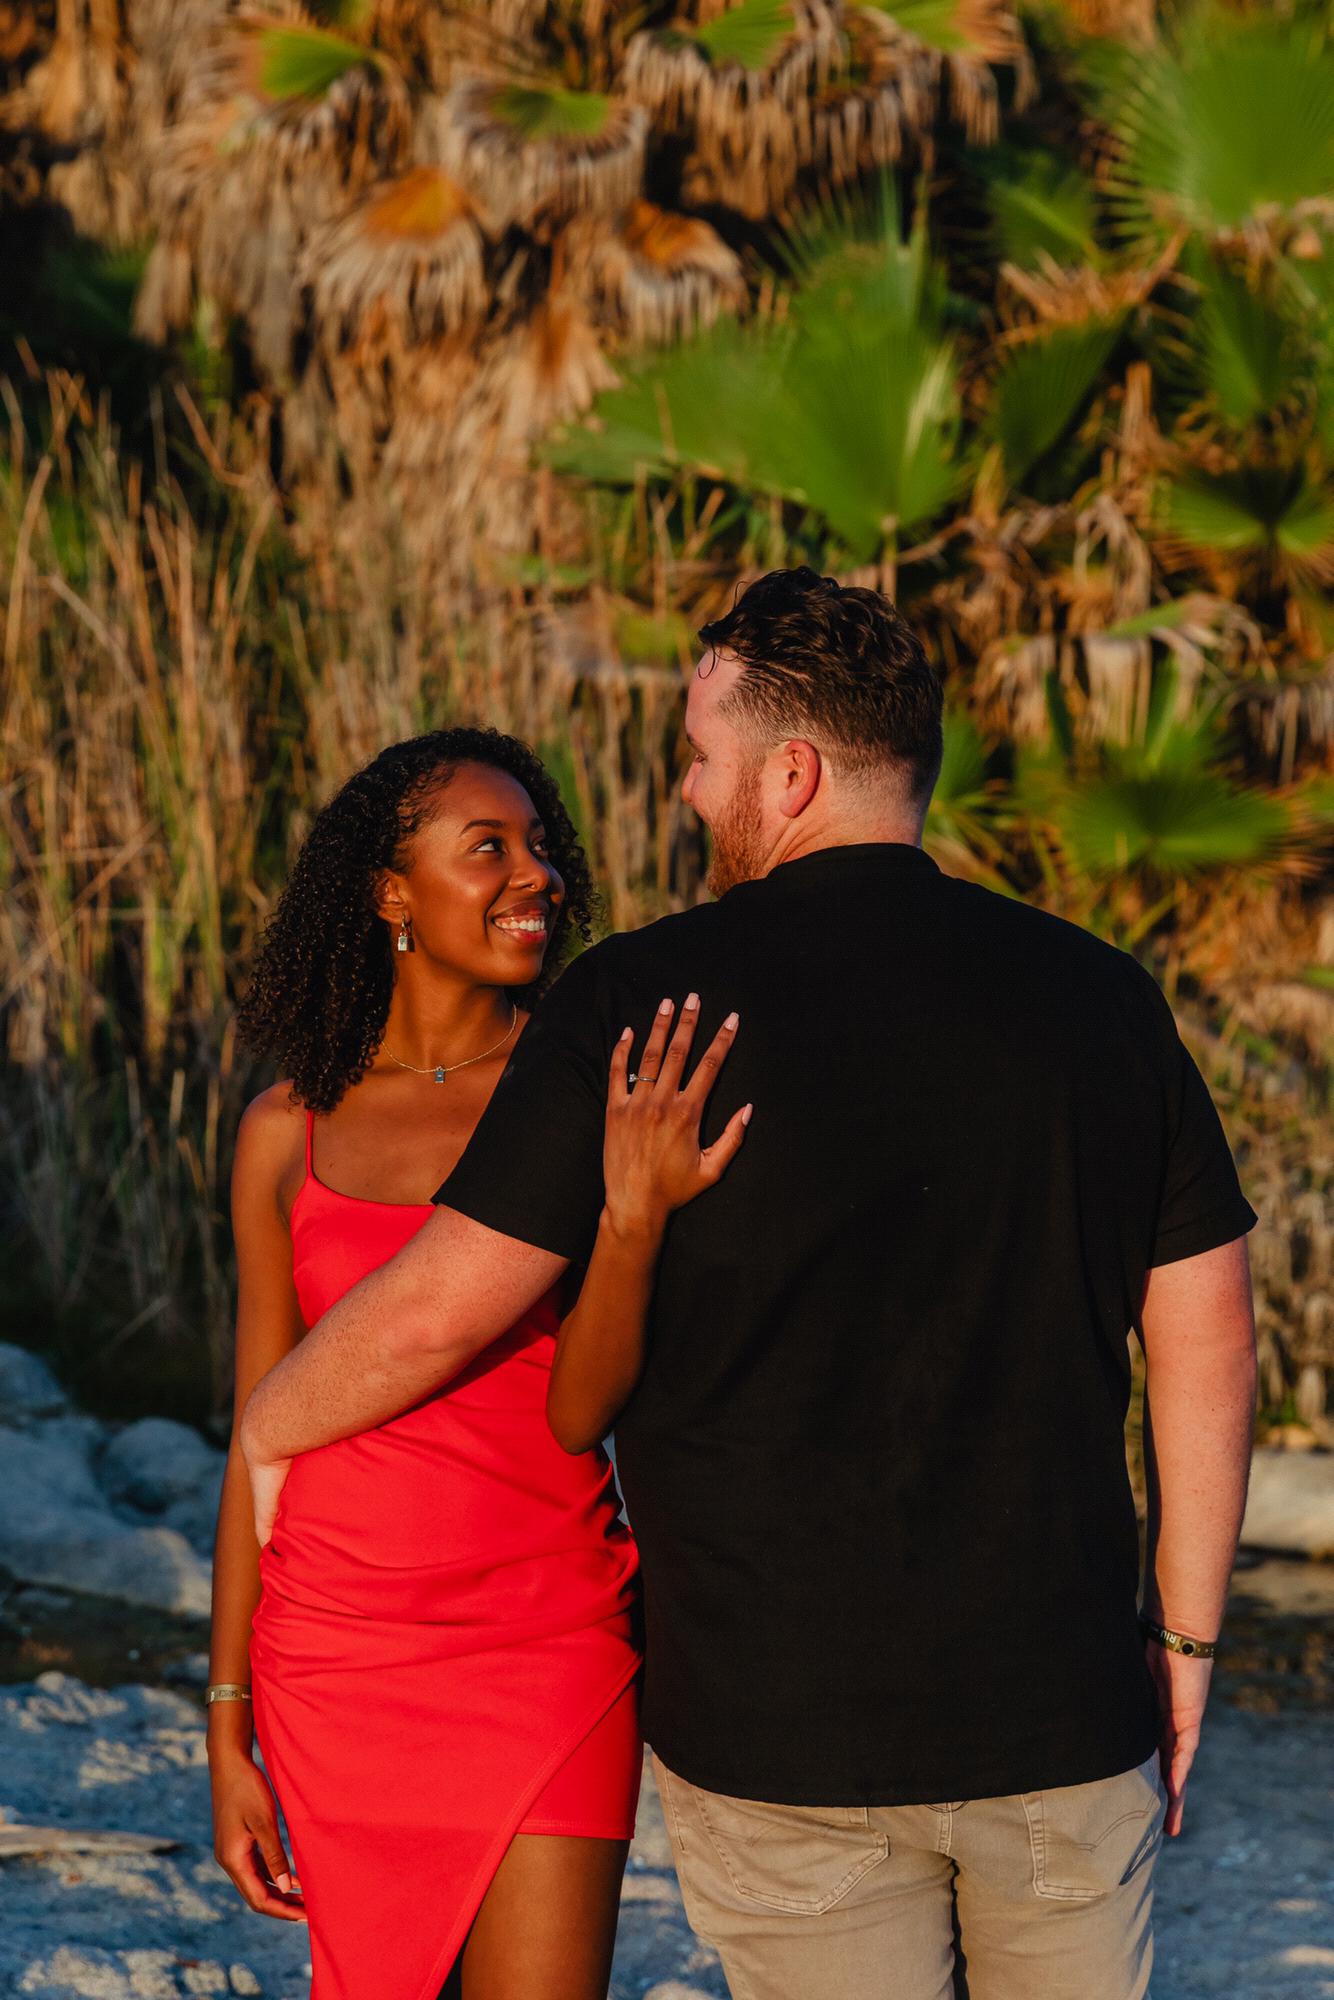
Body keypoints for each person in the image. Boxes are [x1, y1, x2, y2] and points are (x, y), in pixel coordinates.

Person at [239, 569, 1259, 2000]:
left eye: (700, 756)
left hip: (780, 1738)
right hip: (1058, 1714)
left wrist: (268, 1421)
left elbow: (431, 1311)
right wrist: (1184, 1637)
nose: (684, 789)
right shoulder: (1101, 998)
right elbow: (1207, 1330)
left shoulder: (640, 1006)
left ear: (790, 775)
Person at [208, 725, 746, 2000]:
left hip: (546, 1635)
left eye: (540, 846)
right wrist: (225, 1717)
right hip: (336, 1652)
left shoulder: (592, 1095)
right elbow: (259, 1427)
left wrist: (632, 1217)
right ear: (390, 892)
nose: (534, 874)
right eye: (487, 846)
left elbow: (585, 1405)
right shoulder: (286, 1129)